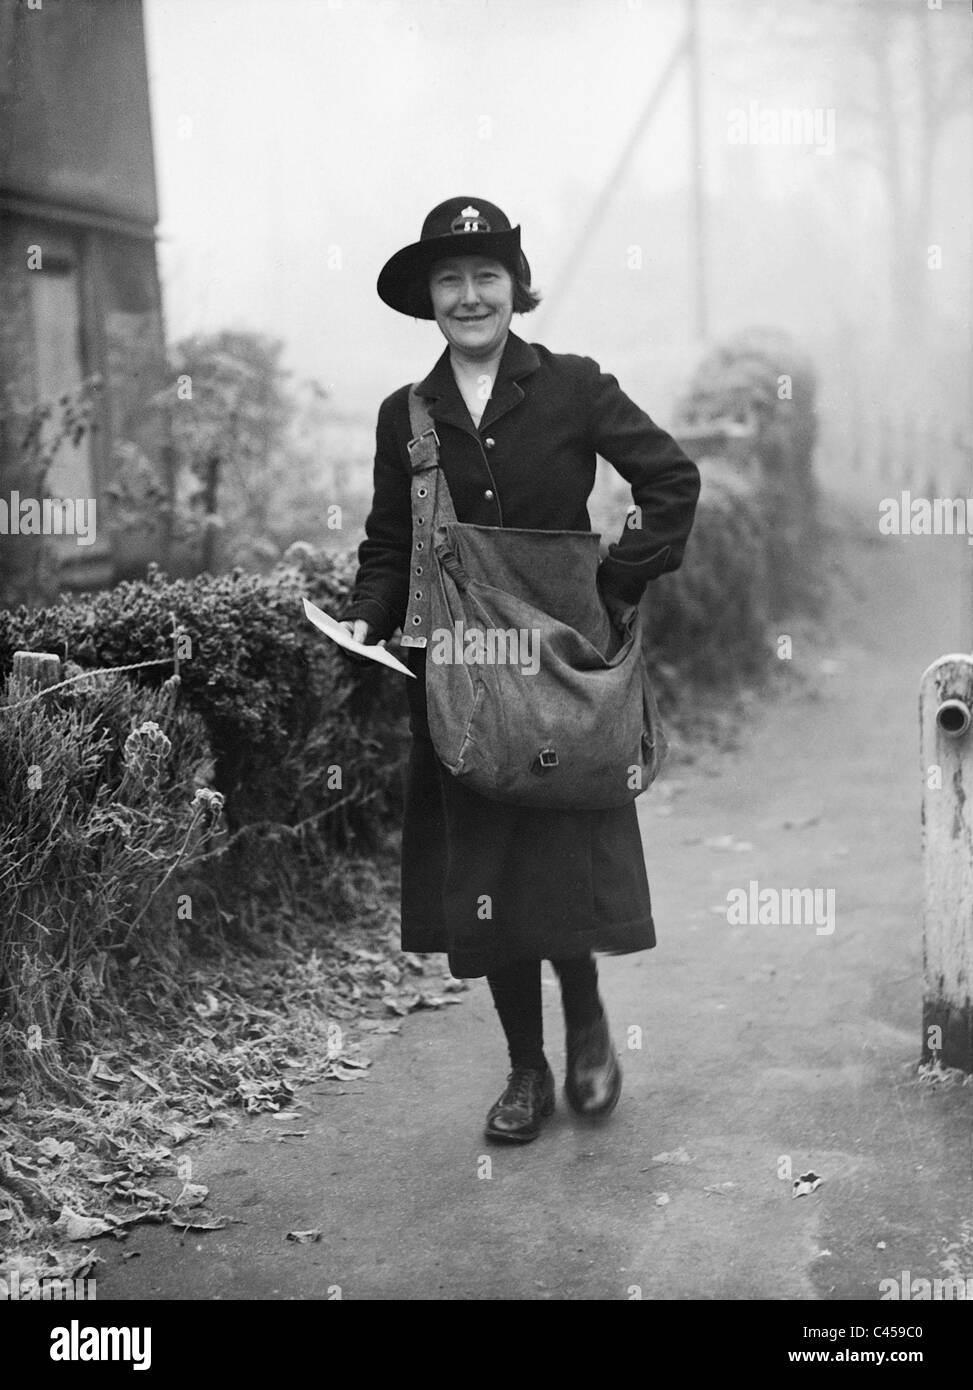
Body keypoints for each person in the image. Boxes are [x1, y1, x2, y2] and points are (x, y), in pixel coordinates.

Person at [340, 196, 700, 1143]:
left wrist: (619, 576)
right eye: (450, 280)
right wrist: (366, 615)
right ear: (428, 297)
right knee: (489, 866)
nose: (470, 296)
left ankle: (586, 1016)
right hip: (461, 673)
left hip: (567, 667)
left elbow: (670, 480)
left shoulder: (575, 386)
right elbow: (390, 544)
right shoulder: (405, 416)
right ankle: (524, 1072)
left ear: (514, 287)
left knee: (563, 856)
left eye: (486, 276)